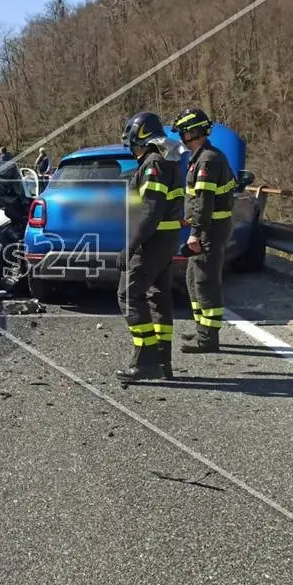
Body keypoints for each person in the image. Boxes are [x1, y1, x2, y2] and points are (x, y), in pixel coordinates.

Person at [116, 111, 185, 382]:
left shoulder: (153, 164)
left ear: (140, 138)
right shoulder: (168, 162)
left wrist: (130, 246)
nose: (131, 149)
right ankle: (163, 361)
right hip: (166, 242)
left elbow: (149, 211)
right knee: (158, 298)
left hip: (151, 243)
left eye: (131, 144)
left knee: (129, 296)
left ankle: (144, 360)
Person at [174, 107, 236, 354]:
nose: (181, 137)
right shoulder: (202, 156)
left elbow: (204, 200)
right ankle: (203, 330)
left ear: (192, 133)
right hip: (207, 227)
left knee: (205, 282)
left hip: (210, 230)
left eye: (183, 132)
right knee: (193, 279)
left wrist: (195, 233)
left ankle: (208, 339)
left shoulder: (208, 160)